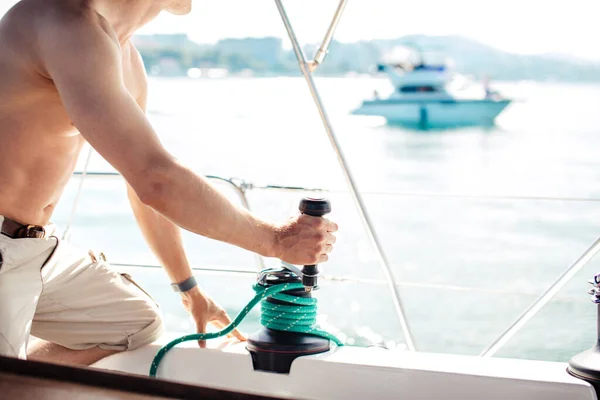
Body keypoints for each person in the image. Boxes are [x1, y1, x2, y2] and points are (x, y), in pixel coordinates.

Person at [0, 0, 338, 366]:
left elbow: (141, 188)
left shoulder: (124, 58)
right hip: (5, 249)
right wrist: (275, 240)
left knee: (133, 323)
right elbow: (155, 179)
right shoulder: (63, 22)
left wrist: (188, 288)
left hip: (32, 249)